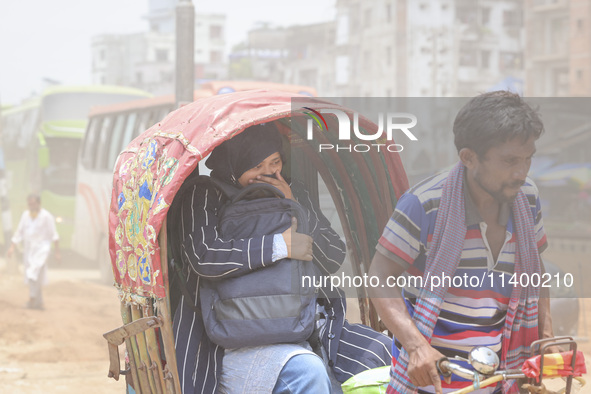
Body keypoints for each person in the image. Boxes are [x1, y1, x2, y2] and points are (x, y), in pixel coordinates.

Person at [169, 122, 392, 394]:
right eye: (256, 167)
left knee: (386, 352)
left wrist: (294, 205)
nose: (268, 174)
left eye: (274, 162)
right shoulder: (205, 194)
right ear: (234, 166)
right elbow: (204, 256)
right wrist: (279, 246)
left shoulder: (291, 190)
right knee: (307, 372)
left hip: (308, 322)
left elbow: (333, 256)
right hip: (232, 331)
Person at [368, 91, 556, 394]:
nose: (521, 173)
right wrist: (417, 347)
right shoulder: (424, 203)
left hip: (502, 374)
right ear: (468, 157)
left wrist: (544, 338)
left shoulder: (527, 198)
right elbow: (379, 277)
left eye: (528, 159)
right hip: (433, 377)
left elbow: (536, 272)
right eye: (509, 160)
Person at [6, 194, 60, 310]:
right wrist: (12, 247)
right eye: (29, 204)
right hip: (29, 251)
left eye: (33, 204)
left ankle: (32, 300)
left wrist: (57, 252)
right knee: (35, 276)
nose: (31, 206)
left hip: (42, 250)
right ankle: (39, 302)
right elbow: (19, 232)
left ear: (38, 203)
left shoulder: (46, 216)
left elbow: (54, 235)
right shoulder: (25, 215)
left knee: (33, 273)